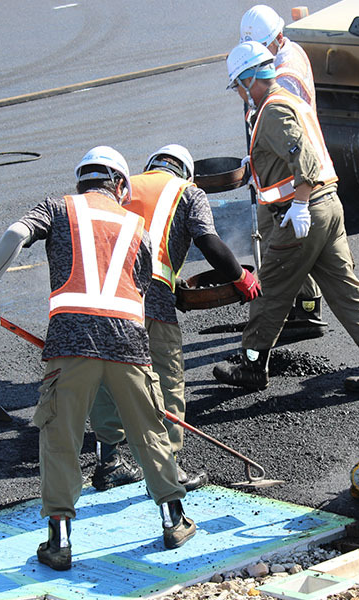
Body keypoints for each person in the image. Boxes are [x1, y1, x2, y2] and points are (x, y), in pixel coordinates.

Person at [0, 146, 196, 571]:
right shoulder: (137, 226)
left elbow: (16, 234)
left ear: (82, 180)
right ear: (120, 184)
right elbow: (142, 287)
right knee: (149, 432)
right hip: (129, 345)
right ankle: (174, 520)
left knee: (60, 439)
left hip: (71, 347)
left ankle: (60, 542)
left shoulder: (57, 208)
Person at [213, 41, 359, 394]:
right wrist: (254, 164)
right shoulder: (291, 100)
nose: (239, 94)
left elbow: (305, 160)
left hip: (304, 214)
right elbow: (294, 152)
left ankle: (252, 365)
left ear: (249, 79)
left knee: (270, 290)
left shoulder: (271, 110)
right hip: (329, 207)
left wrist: (300, 205)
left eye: (238, 86)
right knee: (345, 289)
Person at [88, 144, 260, 492]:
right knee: (167, 378)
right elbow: (208, 240)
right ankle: (168, 469)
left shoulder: (124, 185)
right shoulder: (188, 192)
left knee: (107, 377)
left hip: (102, 295)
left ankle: (109, 463)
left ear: (151, 165)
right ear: (186, 172)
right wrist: (240, 278)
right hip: (149, 299)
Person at [240, 4, 326, 332]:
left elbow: (286, 132)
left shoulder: (283, 76)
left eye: (262, 47)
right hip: (290, 168)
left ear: (277, 38)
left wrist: (259, 157)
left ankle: (272, 322)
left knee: (280, 245)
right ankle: (304, 308)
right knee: (301, 244)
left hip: (288, 173)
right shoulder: (292, 52)